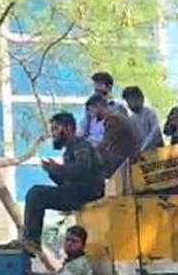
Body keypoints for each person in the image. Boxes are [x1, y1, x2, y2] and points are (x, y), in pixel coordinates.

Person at [23, 113, 105, 249]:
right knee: (37, 194)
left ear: (67, 128)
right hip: (79, 192)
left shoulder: (80, 144)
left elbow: (82, 168)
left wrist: (57, 168)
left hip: (88, 192)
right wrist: (52, 171)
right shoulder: (69, 150)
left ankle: (31, 241)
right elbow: (68, 182)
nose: (53, 134)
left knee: (36, 194)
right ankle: (31, 240)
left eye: (56, 129)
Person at [87, 94, 141, 177]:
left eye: (91, 110)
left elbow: (104, 144)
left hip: (127, 160)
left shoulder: (114, 119)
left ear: (99, 106)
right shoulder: (116, 116)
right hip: (125, 158)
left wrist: (87, 150)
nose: (91, 114)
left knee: (92, 160)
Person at [79, 72, 127, 146]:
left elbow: (122, 133)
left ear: (109, 87)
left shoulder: (118, 108)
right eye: (95, 85)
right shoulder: (90, 106)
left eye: (100, 85)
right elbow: (85, 128)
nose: (96, 88)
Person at [122, 86, 162, 152]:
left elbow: (155, 131)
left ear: (140, 99)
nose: (129, 104)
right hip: (142, 153)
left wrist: (144, 145)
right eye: (127, 101)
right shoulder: (131, 119)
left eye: (131, 100)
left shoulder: (150, 113)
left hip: (156, 150)